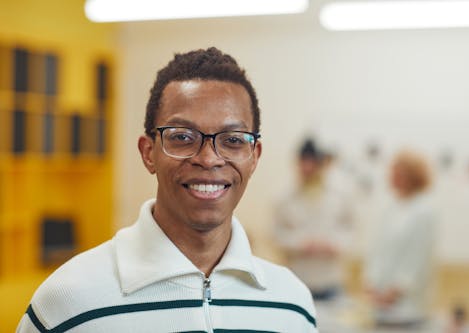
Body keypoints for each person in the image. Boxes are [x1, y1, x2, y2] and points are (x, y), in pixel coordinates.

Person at [17, 47, 317, 332]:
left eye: (233, 140)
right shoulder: (68, 303)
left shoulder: (291, 305)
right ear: (149, 152)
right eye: (183, 137)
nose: (209, 158)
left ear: (254, 157)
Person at [274, 138, 353, 331]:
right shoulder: (284, 198)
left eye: (312, 164)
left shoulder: (340, 196)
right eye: (303, 163)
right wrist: (301, 243)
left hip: (331, 282)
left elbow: (352, 230)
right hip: (299, 281)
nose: (307, 168)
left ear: (320, 165)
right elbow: (276, 234)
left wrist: (334, 244)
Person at [363, 149, 437, 329]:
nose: (392, 177)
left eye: (399, 173)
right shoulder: (391, 207)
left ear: (413, 176)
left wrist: (393, 292)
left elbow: (417, 258)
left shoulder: (424, 210)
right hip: (379, 300)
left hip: (407, 303)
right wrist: (371, 284)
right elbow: (378, 250)